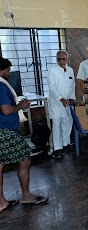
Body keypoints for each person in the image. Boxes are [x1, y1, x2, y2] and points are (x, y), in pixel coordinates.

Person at [0, 57, 48, 210]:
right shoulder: (1, 86)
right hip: (5, 131)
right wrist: (21, 105)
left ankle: (1, 202)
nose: (9, 73)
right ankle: (26, 195)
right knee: (25, 159)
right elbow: (6, 110)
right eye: (7, 70)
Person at [47, 50, 75, 159]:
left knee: (67, 122)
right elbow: (52, 87)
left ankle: (66, 144)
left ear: (67, 59)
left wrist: (72, 97)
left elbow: (72, 85)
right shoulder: (52, 70)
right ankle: (57, 148)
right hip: (56, 102)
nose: (61, 61)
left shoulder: (70, 70)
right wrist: (61, 99)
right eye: (59, 59)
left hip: (67, 102)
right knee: (57, 124)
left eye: (64, 59)